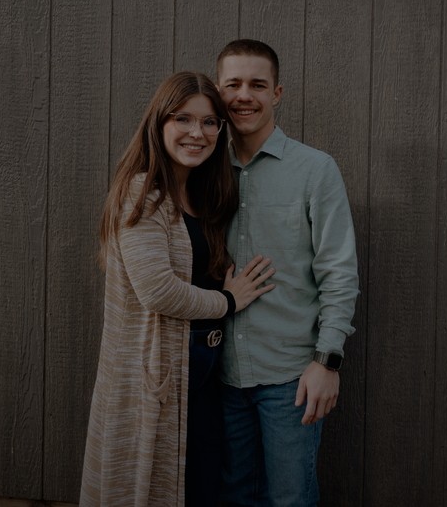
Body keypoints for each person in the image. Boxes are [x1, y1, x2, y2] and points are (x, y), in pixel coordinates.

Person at [79, 71, 275, 507]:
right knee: (153, 488)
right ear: (159, 123)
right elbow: (159, 291)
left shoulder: (200, 196)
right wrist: (229, 300)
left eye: (209, 122)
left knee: (198, 489)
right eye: (182, 119)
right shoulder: (143, 192)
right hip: (158, 378)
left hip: (203, 379)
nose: (197, 133)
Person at [216, 40, 359, 506]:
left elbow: (339, 272)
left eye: (257, 85)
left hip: (290, 380)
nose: (244, 95)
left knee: (290, 500)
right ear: (218, 92)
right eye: (233, 84)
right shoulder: (204, 169)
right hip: (221, 376)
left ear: (276, 93)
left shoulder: (315, 169)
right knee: (233, 498)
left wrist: (327, 362)